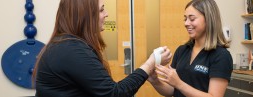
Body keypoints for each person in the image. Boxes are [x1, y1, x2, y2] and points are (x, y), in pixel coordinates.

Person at [32, 0, 172, 96]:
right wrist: (151, 62)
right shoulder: (71, 49)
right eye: (101, 10)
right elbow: (115, 93)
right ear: (85, 16)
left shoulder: (65, 44)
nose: (106, 14)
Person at [148, 0, 233, 97]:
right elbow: (172, 90)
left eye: (192, 19)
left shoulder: (221, 55)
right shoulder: (182, 50)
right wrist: (155, 81)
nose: (186, 23)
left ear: (208, 19)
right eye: (185, 19)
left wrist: (179, 84)